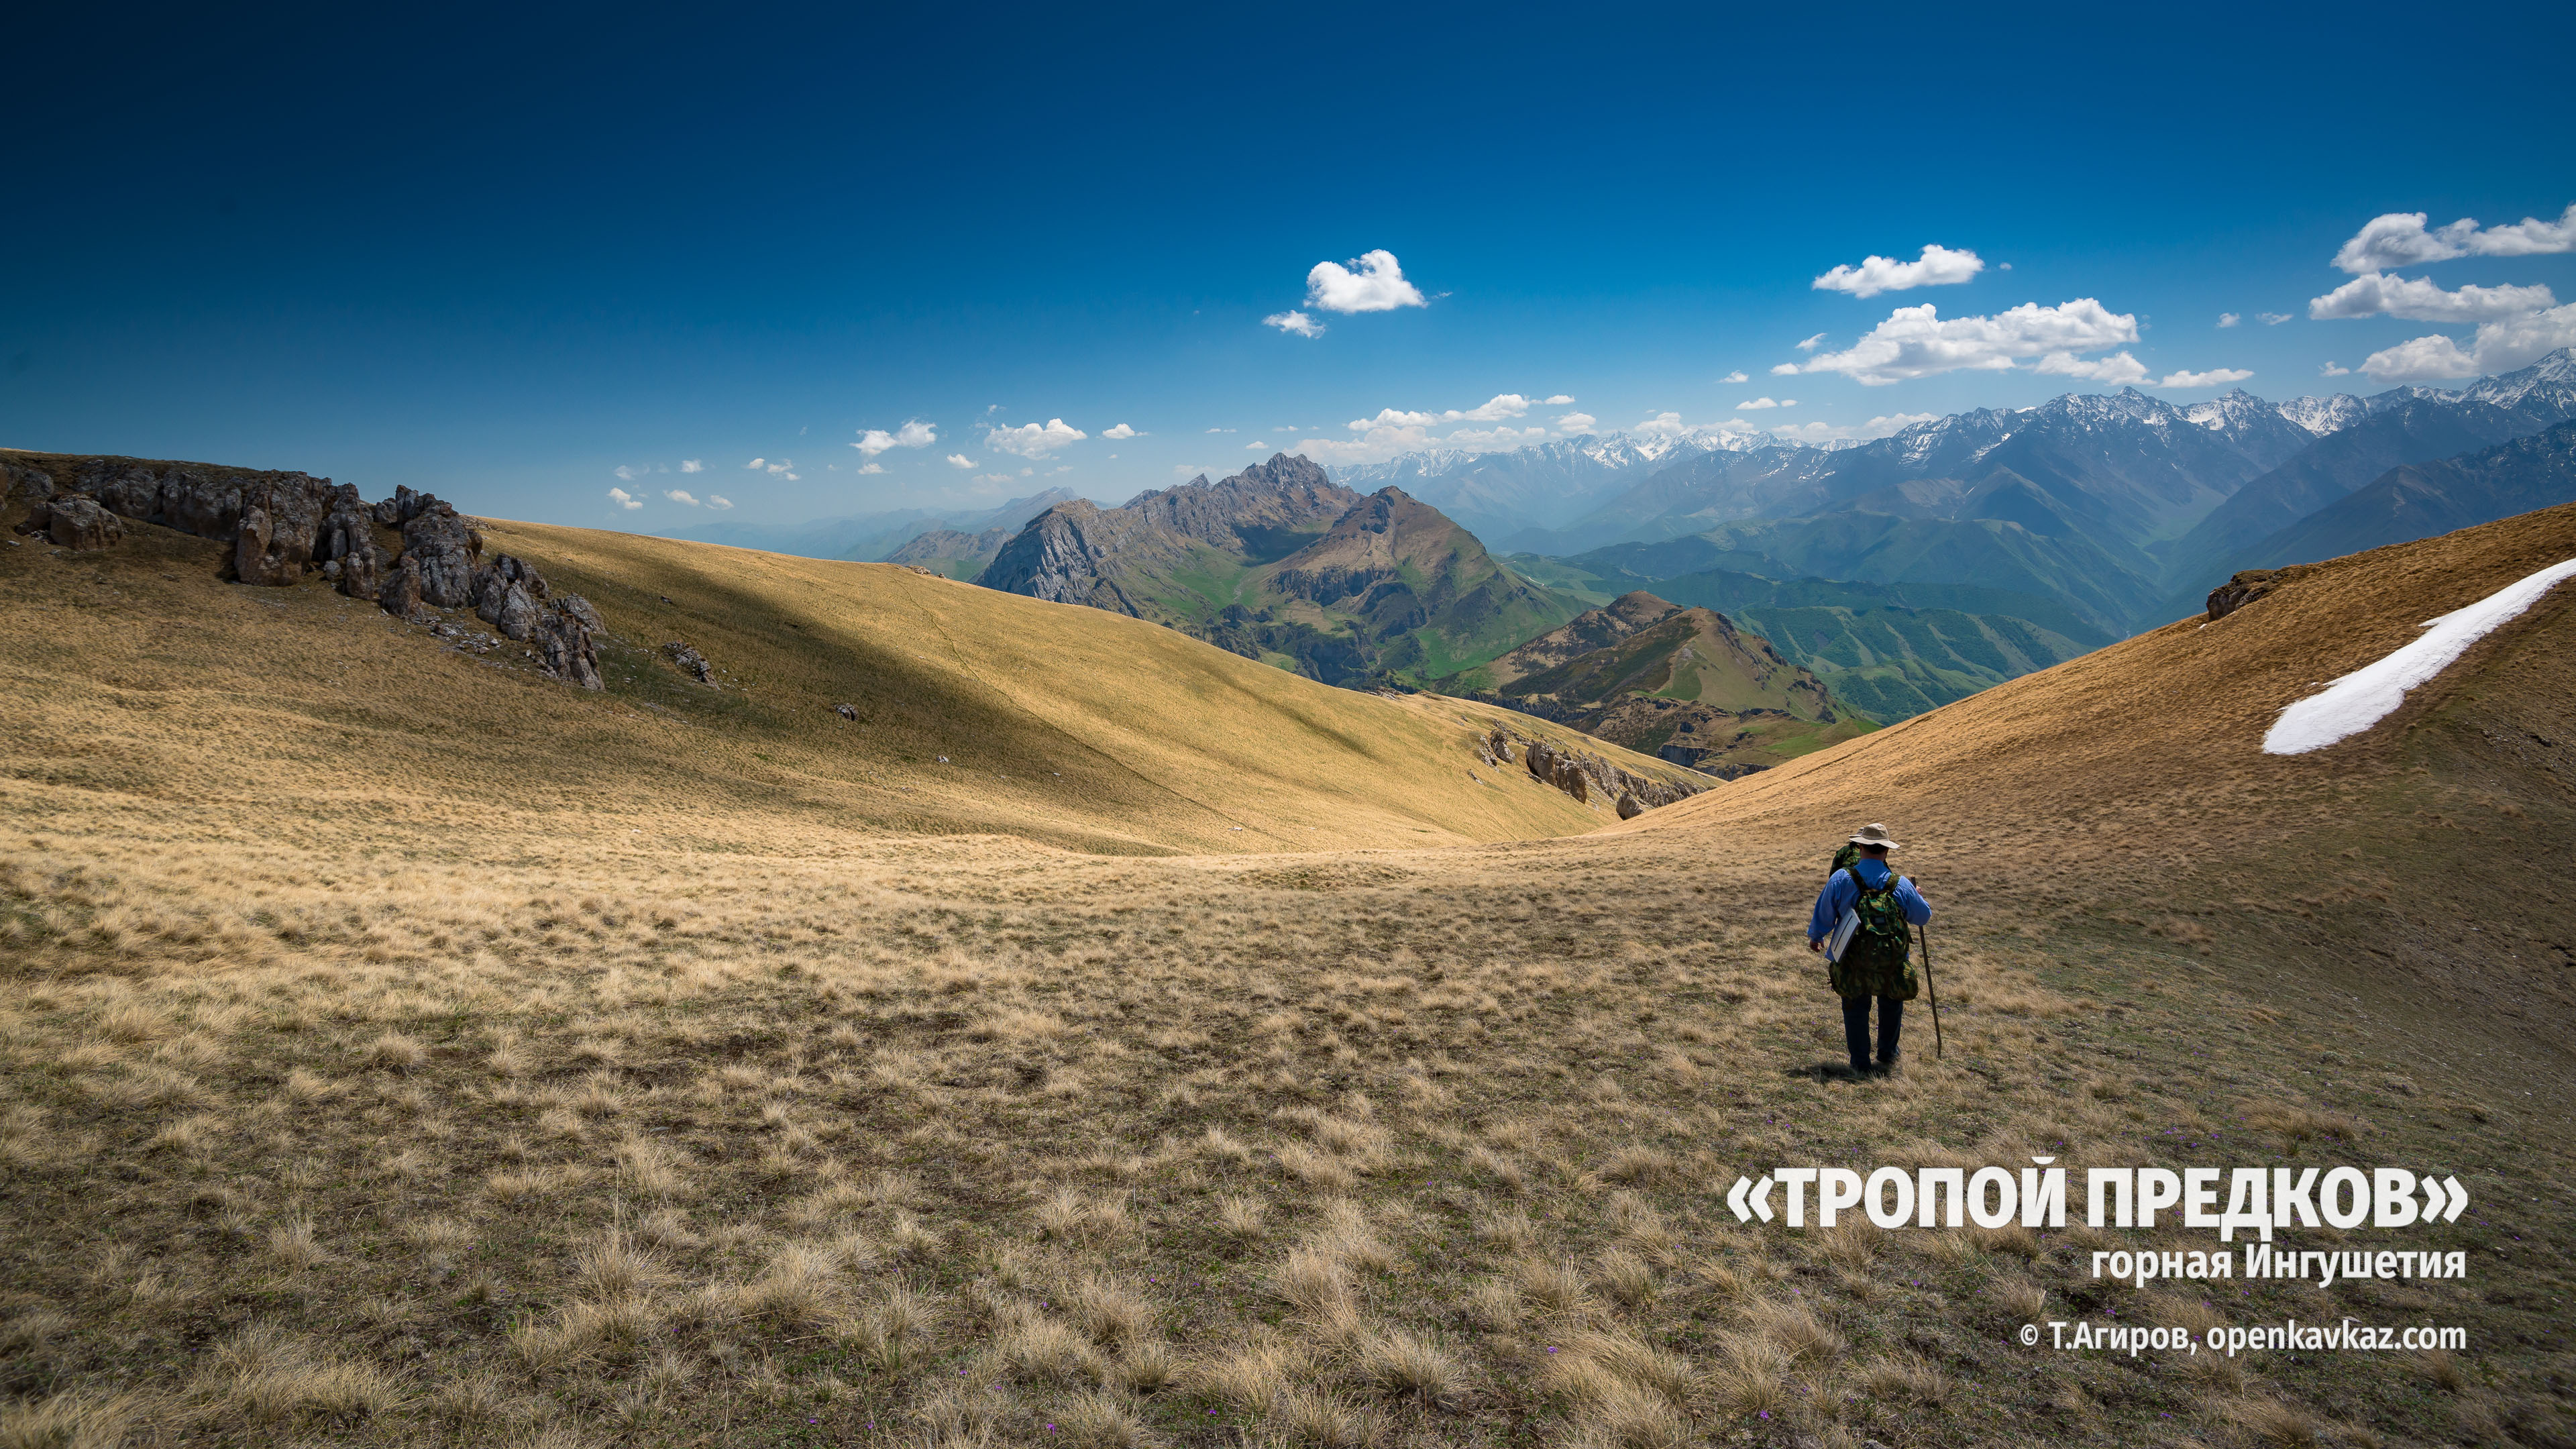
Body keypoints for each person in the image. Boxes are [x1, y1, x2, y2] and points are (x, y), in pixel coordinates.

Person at [1807, 823, 1931, 1075]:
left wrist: (1816, 936)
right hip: (1892, 959)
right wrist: (1917, 895)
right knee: (1891, 1002)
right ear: (1886, 851)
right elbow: (1923, 917)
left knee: (1855, 1005)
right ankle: (1887, 1053)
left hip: (1851, 957)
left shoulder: (1842, 878)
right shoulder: (1901, 884)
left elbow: (1824, 912)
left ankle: (1860, 1061)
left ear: (1860, 847)